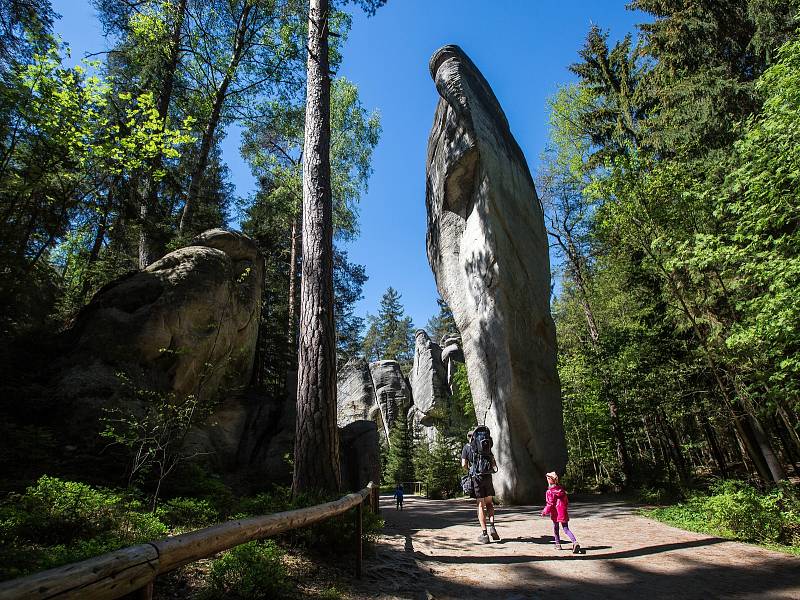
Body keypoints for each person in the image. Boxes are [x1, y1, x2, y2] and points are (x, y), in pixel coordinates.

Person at [462, 430, 499, 544]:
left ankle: (484, 534)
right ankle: (492, 526)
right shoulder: (485, 446)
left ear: (469, 437)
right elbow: (493, 463)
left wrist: (469, 470)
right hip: (487, 476)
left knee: (480, 505)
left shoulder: (467, 448)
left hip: (476, 477)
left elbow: (464, 464)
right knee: (489, 503)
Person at [541, 471, 581, 553]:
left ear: (550, 480)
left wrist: (544, 512)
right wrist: (564, 508)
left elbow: (550, 504)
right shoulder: (561, 490)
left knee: (556, 528)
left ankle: (558, 544)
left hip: (555, 513)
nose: (547, 480)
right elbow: (566, 501)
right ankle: (575, 542)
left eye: (548, 479)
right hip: (563, 511)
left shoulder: (549, 492)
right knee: (566, 529)